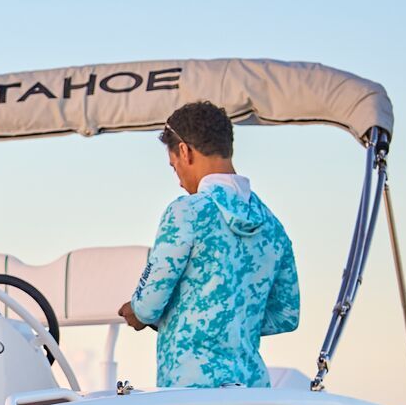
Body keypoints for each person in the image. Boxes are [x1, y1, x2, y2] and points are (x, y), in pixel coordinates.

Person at [118, 100, 299, 388]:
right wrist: (234, 322)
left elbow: (149, 304)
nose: (178, 181)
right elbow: (286, 315)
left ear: (184, 151)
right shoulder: (273, 226)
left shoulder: (186, 212)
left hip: (192, 392)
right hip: (253, 390)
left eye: (174, 167)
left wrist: (137, 311)